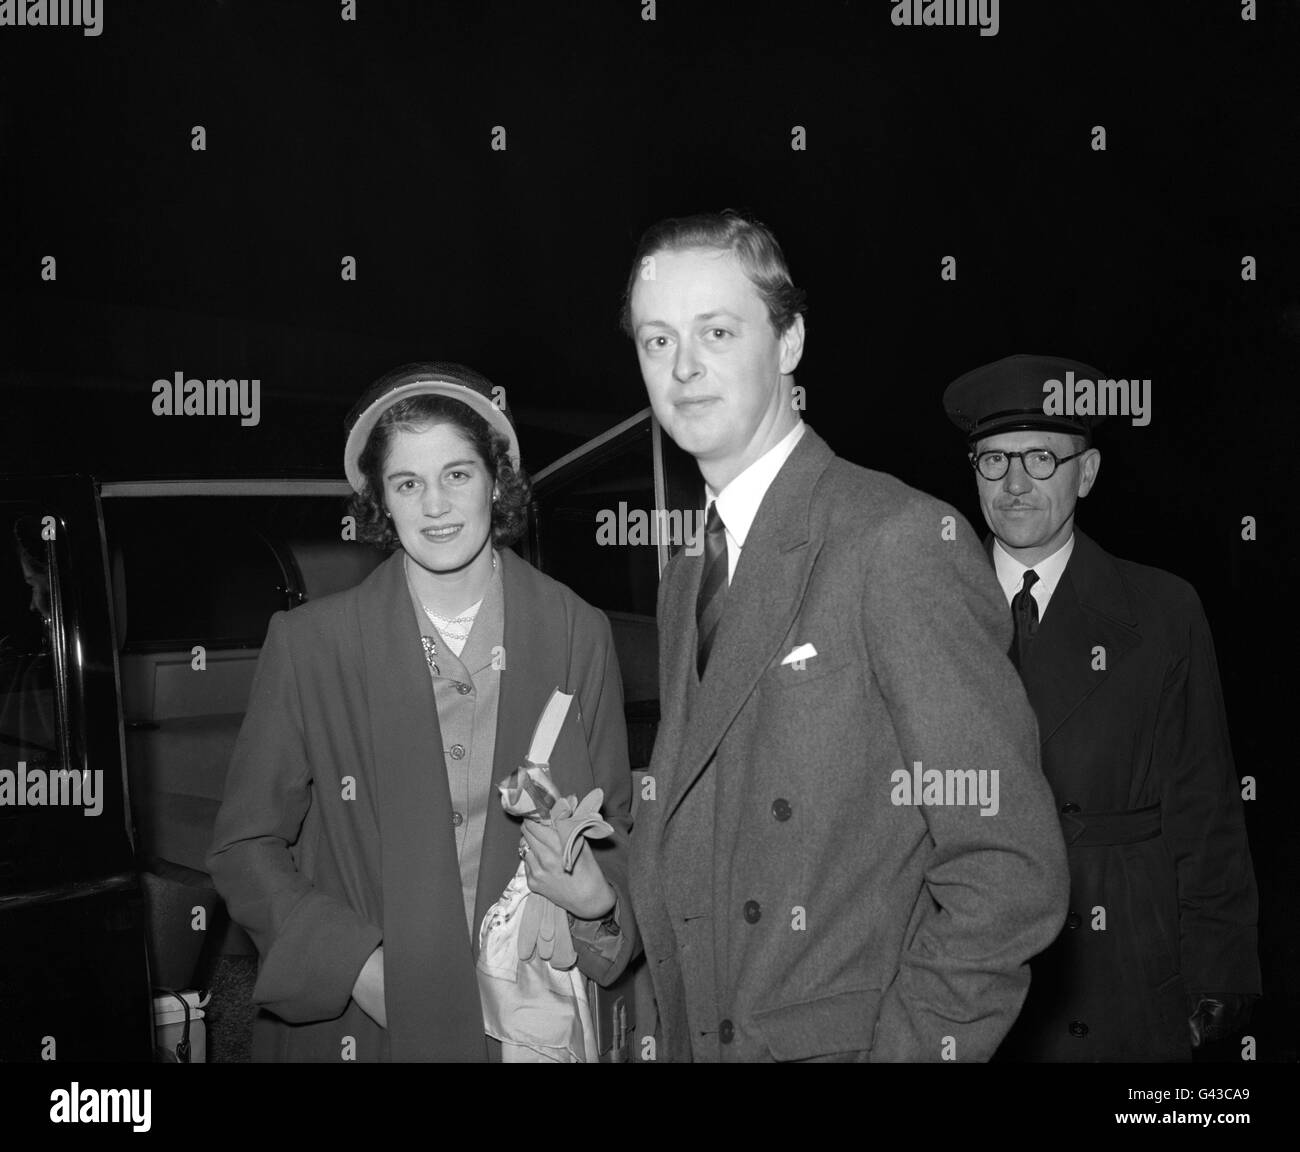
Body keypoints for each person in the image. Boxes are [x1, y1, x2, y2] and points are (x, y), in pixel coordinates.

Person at [623, 211, 1069, 1062]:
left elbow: (1007, 868)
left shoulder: (894, 540)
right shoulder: (688, 569)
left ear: (788, 342)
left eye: (717, 331)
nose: (682, 368)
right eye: (656, 341)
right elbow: (701, 822)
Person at [208, 362, 638, 1062]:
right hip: (367, 1026)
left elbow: (616, 832)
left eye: (458, 475)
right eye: (409, 483)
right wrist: (353, 965)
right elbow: (244, 847)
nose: (435, 505)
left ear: (496, 482)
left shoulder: (574, 629)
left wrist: (598, 905)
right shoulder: (312, 643)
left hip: (526, 1025)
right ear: (382, 499)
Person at [942, 353, 1260, 1061]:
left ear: (1086, 473)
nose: (1016, 484)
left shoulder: (1161, 610)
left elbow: (1206, 806)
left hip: (1119, 965)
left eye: (1041, 460)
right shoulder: (928, 605)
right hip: (964, 962)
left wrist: (1218, 973)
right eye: (993, 461)